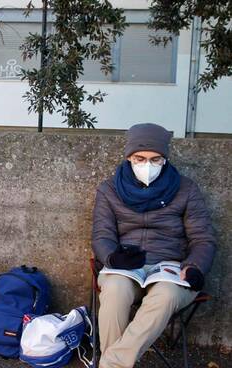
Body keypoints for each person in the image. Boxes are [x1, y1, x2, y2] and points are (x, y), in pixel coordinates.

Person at [91, 123, 216, 368]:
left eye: (156, 159)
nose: (147, 165)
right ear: (129, 157)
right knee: (115, 291)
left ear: (165, 158)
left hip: (171, 267)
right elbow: (101, 235)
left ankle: (110, 364)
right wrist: (113, 258)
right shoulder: (109, 190)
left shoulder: (186, 189)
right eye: (140, 158)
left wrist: (194, 267)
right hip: (127, 264)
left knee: (167, 295)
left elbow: (203, 238)